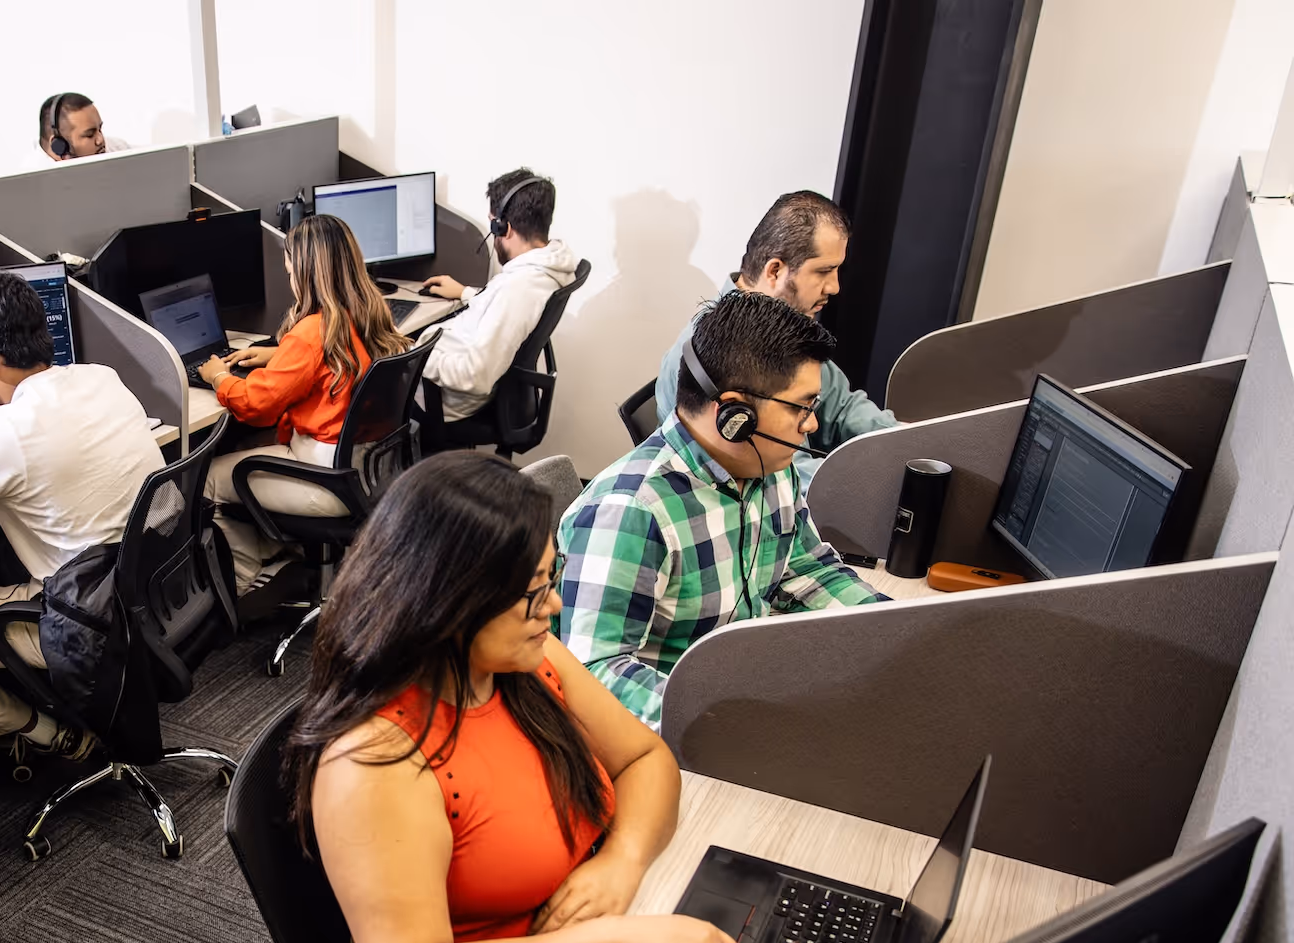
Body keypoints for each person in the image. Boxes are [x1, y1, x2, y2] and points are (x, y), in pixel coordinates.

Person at [287, 452, 767, 943]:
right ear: (449, 602)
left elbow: (647, 761)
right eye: (534, 592)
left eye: (551, 578)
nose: (555, 605)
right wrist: (620, 942)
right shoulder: (376, 758)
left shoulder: (522, 665)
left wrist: (621, 865)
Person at [559, 290, 886, 730]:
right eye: (803, 407)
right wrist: (726, 722)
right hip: (681, 734)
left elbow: (807, 569)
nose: (810, 425)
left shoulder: (768, 466)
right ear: (737, 415)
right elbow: (593, 674)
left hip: (747, 685)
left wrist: (892, 629)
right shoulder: (630, 511)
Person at [0, 270, 163, 760]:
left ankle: (52, 736)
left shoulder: (5, 434)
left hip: (84, 621)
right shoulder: (101, 378)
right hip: (146, 591)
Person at [198, 213, 409, 591]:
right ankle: (280, 559)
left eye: (292, 272)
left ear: (309, 273)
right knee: (247, 448)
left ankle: (242, 587)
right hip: (369, 470)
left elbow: (255, 404)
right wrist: (280, 356)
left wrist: (217, 376)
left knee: (208, 478)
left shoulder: (311, 331)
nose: (291, 281)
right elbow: (328, 361)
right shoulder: (368, 312)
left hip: (325, 480)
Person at [655, 190, 897, 484]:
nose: (834, 286)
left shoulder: (788, 332)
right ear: (775, 271)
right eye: (824, 271)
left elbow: (842, 408)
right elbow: (786, 481)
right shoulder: (704, 355)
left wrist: (912, 441)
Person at [416, 169, 580, 420]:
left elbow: (474, 376)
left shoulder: (517, 290)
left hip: (444, 398)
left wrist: (413, 355)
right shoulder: (550, 265)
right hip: (454, 371)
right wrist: (467, 293)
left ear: (505, 227)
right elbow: (505, 309)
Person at [38, 92, 118, 161]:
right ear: (58, 146)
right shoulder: (32, 175)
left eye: (100, 129)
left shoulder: (117, 149)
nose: (100, 140)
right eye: (89, 135)